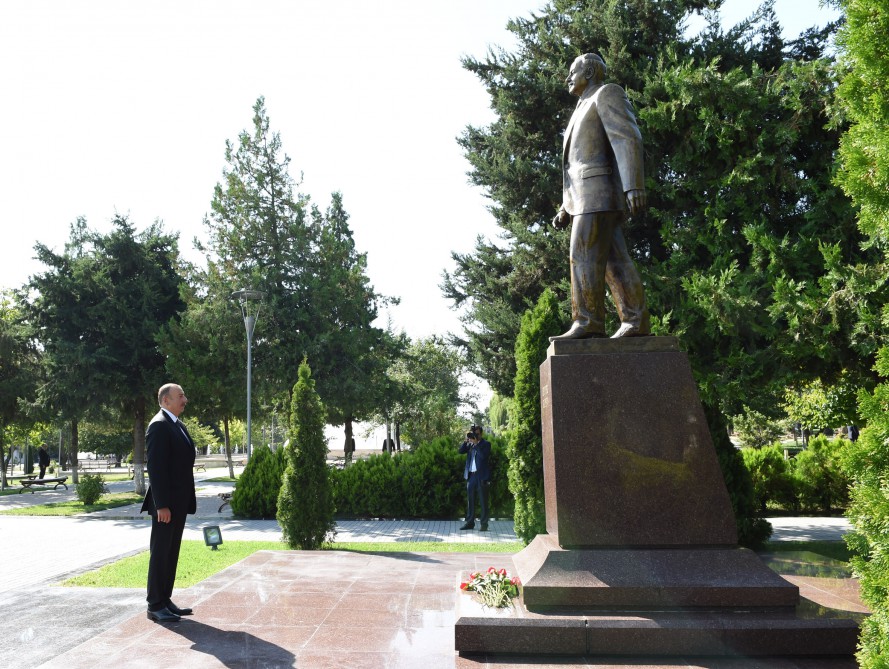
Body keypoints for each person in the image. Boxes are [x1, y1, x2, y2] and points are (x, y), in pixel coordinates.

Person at [550, 52, 650, 341]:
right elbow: (578, 162)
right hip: (585, 197)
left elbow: (627, 137)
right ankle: (635, 321)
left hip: (599, 193)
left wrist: (633, 185)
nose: (568, 78)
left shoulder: (606, 93)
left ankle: (588, 321)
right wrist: (566, 206)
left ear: (590, 72)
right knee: (614, 262)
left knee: (582, 255)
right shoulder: (581, 106)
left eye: (573, 71)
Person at [140, 383, 197, 623]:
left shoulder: (177, 425)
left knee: (171, 552)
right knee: (161, 552)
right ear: (166, 400)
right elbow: (156, 468)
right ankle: (155, 604)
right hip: (166, 505)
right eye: (180, 396)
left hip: (178, 503)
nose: (185, 399)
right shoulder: (159, 425)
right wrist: (161, 504)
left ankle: (165, 599)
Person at [459, 426, 492, 532]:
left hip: (482, 476)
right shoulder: (470, 444)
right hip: (471, 476)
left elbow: (483, 456)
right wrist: (466, 441)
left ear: (481, 434)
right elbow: (460, 451)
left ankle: (484, 524)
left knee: (483, 501)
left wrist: (476, 444)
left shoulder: (486, 444)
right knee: (471, 501)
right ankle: (470, 523)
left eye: (477, 434)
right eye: (473, 434)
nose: (475, 436)